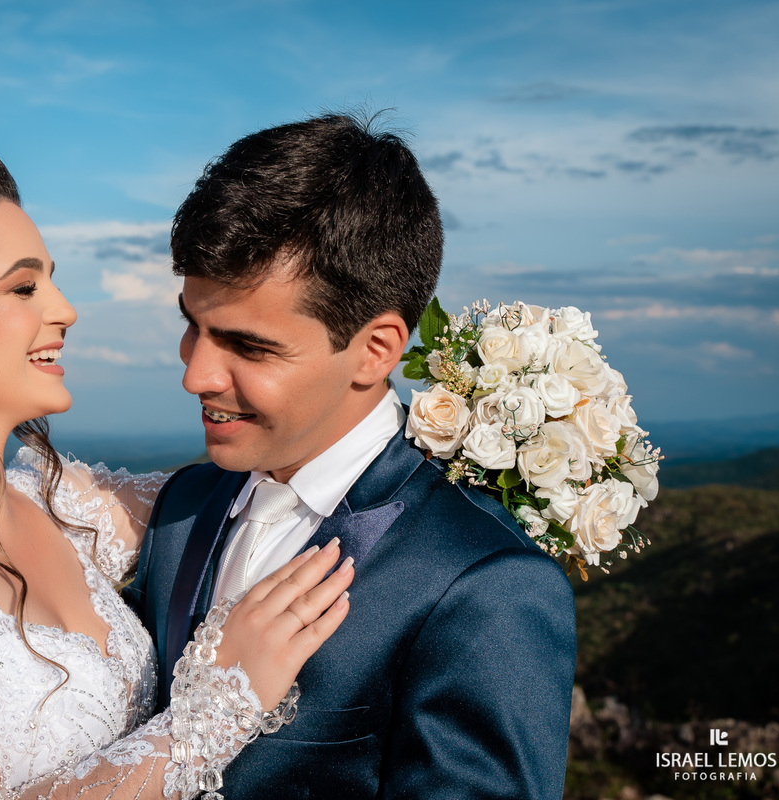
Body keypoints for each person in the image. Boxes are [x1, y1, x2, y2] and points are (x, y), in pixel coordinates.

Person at [0, 135, 354, 800]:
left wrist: (483, 427)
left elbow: (258, 482)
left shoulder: (58, 504)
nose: (65, 309)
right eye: (23, 285)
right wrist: (216, 709)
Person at [124, 113, 577, 799]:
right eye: (194, 326)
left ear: (377, 350)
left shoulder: (484, 584)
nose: (196, 375)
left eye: (249, 346)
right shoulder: (180, 507)